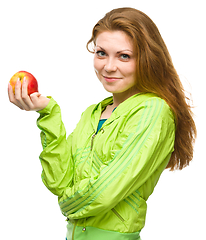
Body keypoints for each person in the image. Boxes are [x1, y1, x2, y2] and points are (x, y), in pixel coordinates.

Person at [8, 7, 196, 240]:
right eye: (101, 53)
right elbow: (59, 181)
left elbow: (104, 192)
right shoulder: (93, 113)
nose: (108, 66)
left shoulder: (153, 111)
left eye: (124, 56)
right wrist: (48, 113)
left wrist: (66, 205)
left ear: (147, 59)